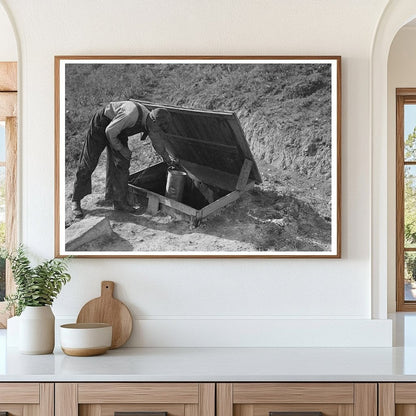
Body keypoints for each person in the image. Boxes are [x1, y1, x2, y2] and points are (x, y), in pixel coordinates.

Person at [71, 100, 173, 219]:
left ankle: (119, 202)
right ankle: (76, 200)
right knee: (89, 162)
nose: (157, 131)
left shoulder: (151, 123)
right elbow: (110, 131)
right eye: (158, 128)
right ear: (153, 121)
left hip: (119, 130)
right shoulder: (131, 114)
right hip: (102, 124)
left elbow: (158, 143)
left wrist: (168, 159)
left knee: (122, 164)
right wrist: (121, 149)